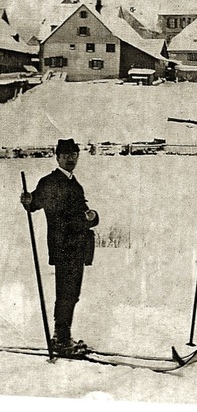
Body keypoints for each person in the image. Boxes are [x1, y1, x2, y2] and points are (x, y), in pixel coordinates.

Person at [20, 138, 99, 355]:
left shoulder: (75, 183)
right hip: (64, 246)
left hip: (77, 246)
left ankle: (63, 336)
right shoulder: (50, 182)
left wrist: (92, 216)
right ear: (58, 158)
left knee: (72, 293)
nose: (70, 159)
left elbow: (83, 211)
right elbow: (35, 204)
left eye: (74, 155)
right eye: (66, 156)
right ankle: (61, 338)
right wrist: (28, 199)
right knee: (66, 292)